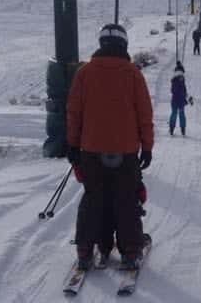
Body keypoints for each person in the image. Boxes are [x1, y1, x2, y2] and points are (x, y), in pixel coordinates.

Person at [66, 23, 154, 270]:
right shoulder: (133, 74)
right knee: (126, 201)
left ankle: (86, 250)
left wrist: (72, 145)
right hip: (125, 152)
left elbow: (74, 112)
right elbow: (144, 113)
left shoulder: (84, 73)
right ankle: (131, 251)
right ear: (124, 44)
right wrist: (146, 147)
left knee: (94, 199)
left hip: (91, 151)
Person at [169, 61, 190, 136]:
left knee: (175, 114)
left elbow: (183, 91)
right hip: (179, 100)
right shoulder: (179, 80)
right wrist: (186, 97)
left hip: (176, 100)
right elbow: (181, 91)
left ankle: (173, 128)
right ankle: (181, 129)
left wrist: (187, 97)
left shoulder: (176, 80)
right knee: (180, 114)